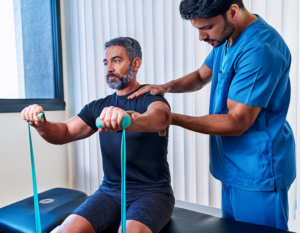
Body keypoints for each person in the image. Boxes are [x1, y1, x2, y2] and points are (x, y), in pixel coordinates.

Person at [128, 0, 296, 230]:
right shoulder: (226, 36)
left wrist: (170, 118)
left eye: (206, 27)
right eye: (197, 29)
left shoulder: (260, 49)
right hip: (232, 165)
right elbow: (200, 76)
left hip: (258, 171)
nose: (201, 37)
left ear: (233, 11)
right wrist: (165, 87)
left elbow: (237, 122)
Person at [21, 37, 174, 233]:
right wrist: (41, 124)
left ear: (135, 63)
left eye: (116, 61)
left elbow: (161, 117)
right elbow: (64, 132)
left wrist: (128, 119)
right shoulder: (98, 107)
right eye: (106, 62)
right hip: (109, 191)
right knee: (66, 230)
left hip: (152, 194)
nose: (109, 68)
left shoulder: (151, 99)